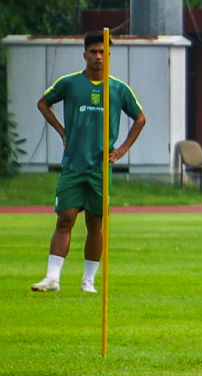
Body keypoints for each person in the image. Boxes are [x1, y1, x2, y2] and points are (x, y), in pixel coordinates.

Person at [31, 32, 146, 293]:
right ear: (85, 55)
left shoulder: (118, 88)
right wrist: (62, 131)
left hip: (100, 168)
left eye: (102, 52)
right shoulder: (70, 83)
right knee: (65, 219)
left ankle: (88, 281)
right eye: (93, 51)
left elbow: (140, 118)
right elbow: (43, 103)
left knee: (95, 222)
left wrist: (122, 149)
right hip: (73, 164)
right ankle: (52, 278)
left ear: (109, 55)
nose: (98, 56)